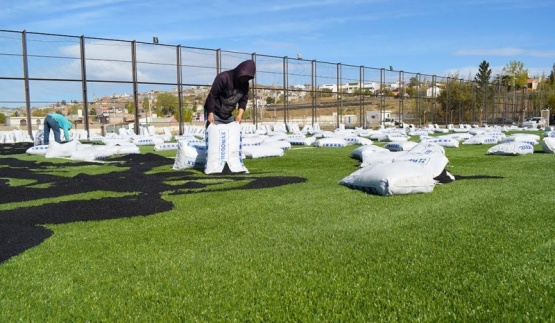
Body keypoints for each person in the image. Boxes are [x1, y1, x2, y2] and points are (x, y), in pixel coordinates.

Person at [204, 59, 256, 127]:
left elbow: (243, 100)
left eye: (247, 78)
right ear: (240, 72)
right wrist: (210, 113)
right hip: (214, 112)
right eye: (244, 77)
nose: (245, 79)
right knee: (214, 135)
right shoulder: (223, 78)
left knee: (231, 135)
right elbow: (212, 96)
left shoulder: (245, 84)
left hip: (227, 115)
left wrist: (239, 115)